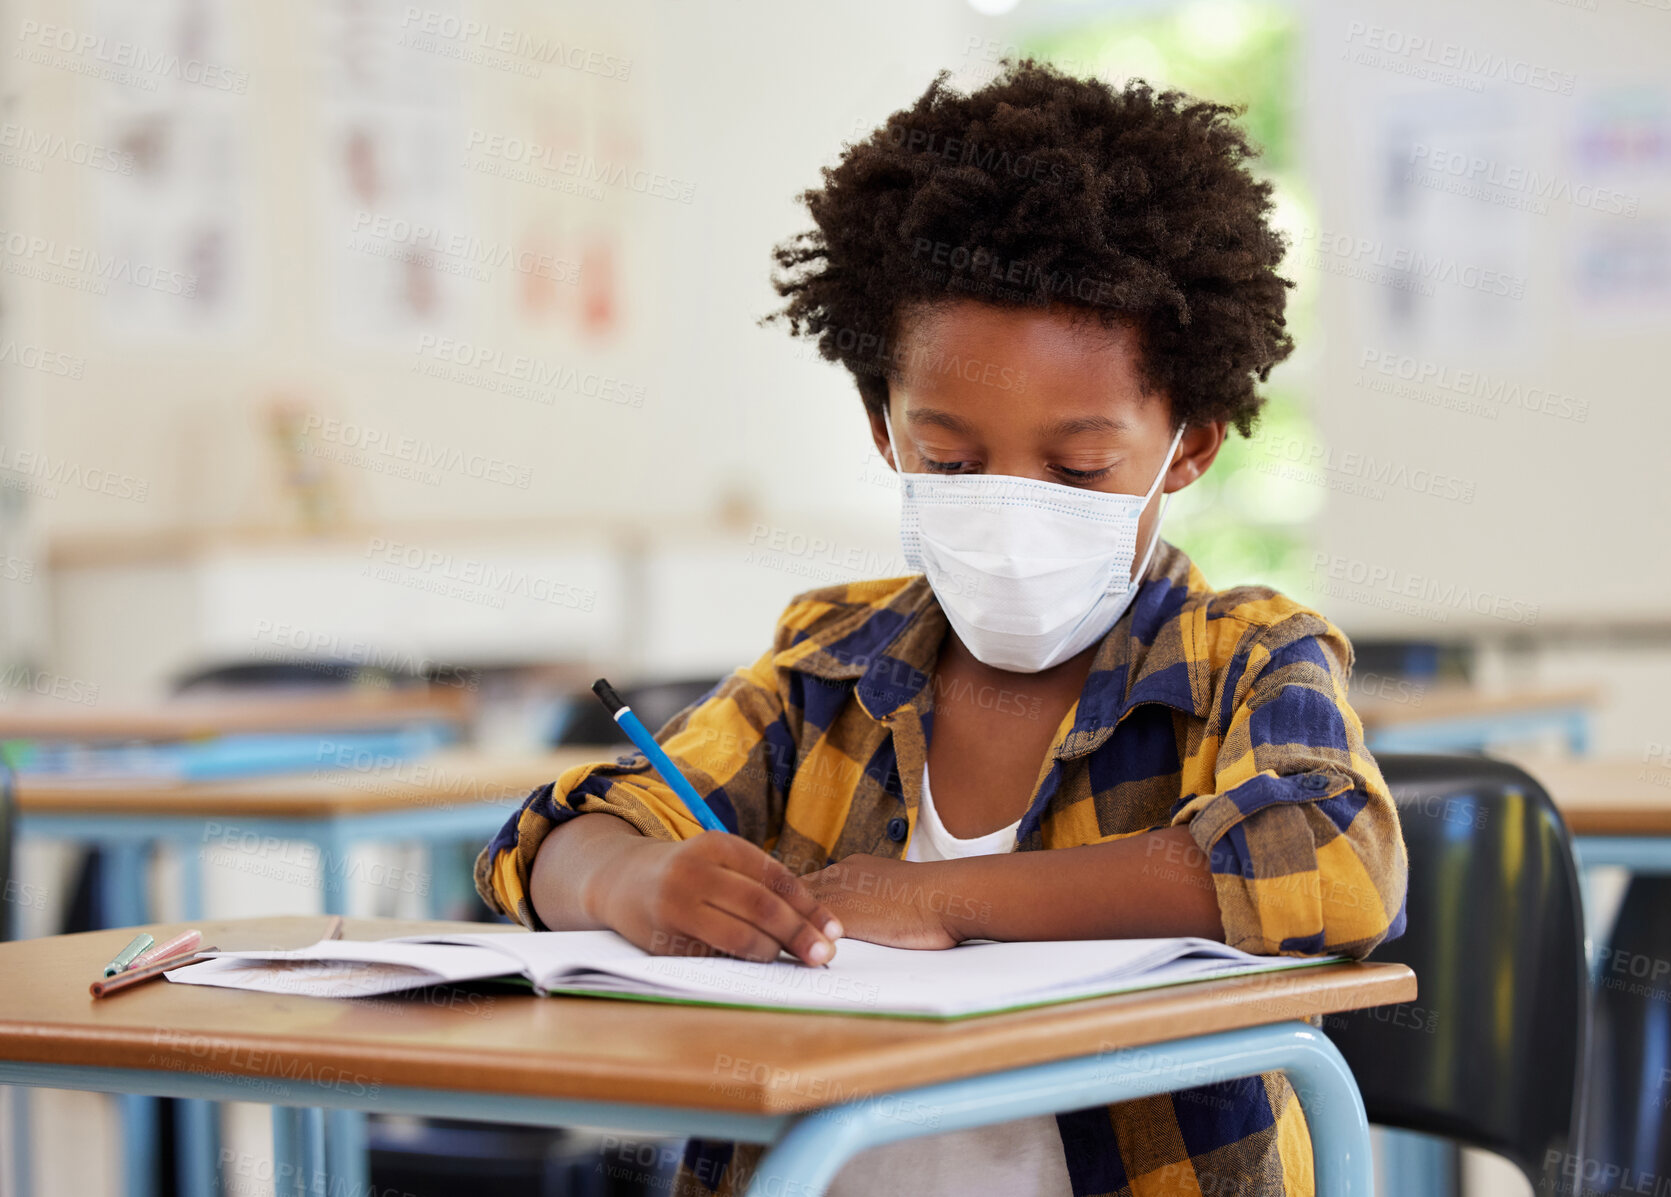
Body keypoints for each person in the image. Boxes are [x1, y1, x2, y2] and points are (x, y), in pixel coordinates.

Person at [477, 59, 1407, 1197]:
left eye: (1078, 467)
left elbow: (1333, 861)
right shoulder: (828, 664)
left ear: (1192, 446)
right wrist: (631, 881)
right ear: (883, 428)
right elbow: (554, 838)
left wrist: (934, 895)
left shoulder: (1241, 661)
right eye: (952, 462)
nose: (1012, 504)